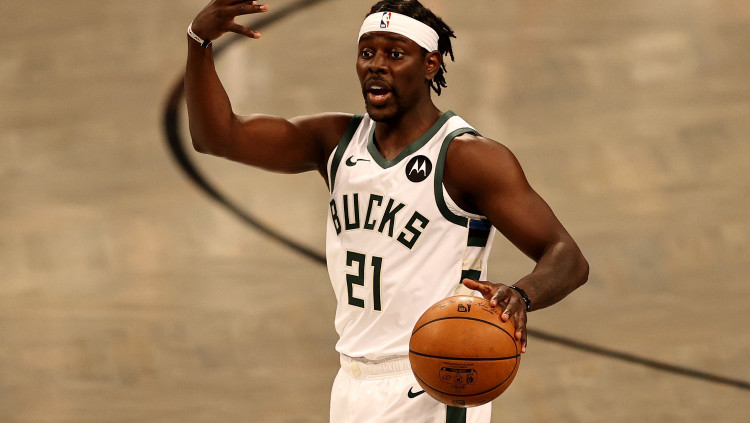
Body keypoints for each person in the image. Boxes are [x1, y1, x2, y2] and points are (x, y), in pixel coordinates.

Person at [185, 1, 589, 422]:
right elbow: (217, 137)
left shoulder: (467, 158)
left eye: (395, 54)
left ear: (430, 64)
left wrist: (522, 295)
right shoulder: (334, 140)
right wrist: (198, 41)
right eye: (367, 53)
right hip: (352, 381)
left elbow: (567, 257)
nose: (376, 65)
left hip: (435, 380)